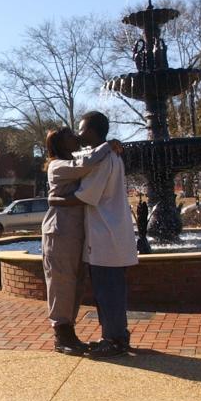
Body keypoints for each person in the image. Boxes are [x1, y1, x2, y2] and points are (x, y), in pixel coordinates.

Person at [51, 111, 138, 358]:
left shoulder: (104, 159)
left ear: (91, 131)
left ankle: (114, 339)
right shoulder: (110, 155)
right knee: (113, 291)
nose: (78, 134)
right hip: (111, 235)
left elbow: (85, 196)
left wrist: (55, 200)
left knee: (108, 292)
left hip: (105, 237)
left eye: (81, 129)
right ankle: (118, 336)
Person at [41, 127, 118, 355]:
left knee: (75, 284)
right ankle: (61, 336)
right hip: (59, 232)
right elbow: (85, 165)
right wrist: (108, 144)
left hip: (77, 233)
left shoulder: (73, 161)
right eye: (70, 135)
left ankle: (69, 333)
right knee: (61, 282)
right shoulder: (58, 166)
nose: (76, 137)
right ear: (60, 143)